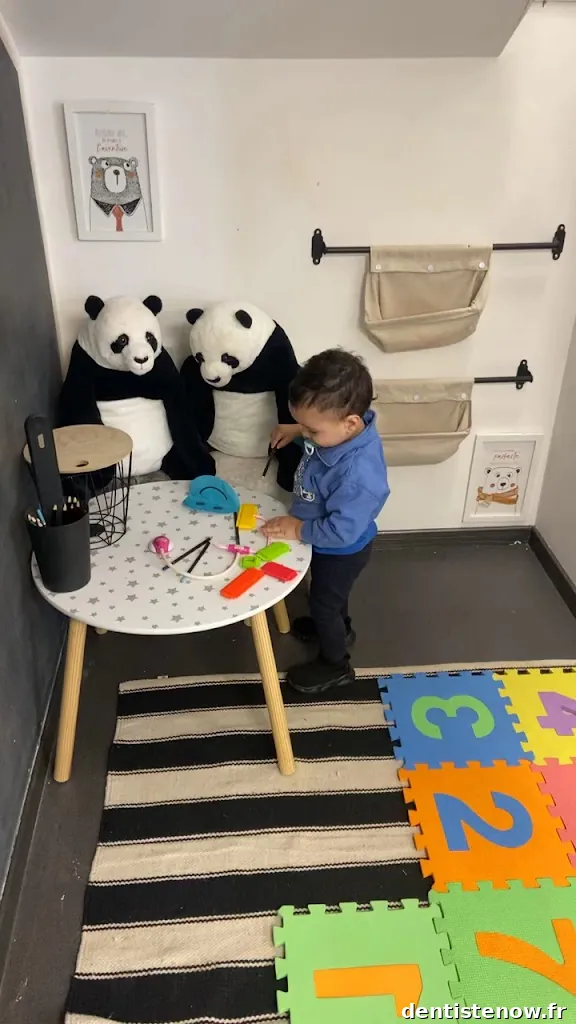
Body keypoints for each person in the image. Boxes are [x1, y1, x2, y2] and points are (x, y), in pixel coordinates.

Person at [262, 349, 389, 694]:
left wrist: (297, 529)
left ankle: (336, 664)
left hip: (342, 548)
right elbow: (321, 430)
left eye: (312, 430)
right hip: (327, 541)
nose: (307, 434)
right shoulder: (338, 432)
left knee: (323, 602)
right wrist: (298, 430)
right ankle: (339, 627)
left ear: (350, 424)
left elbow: (341, 531)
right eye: (303, 425)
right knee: (330, 596)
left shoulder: (356, 475)